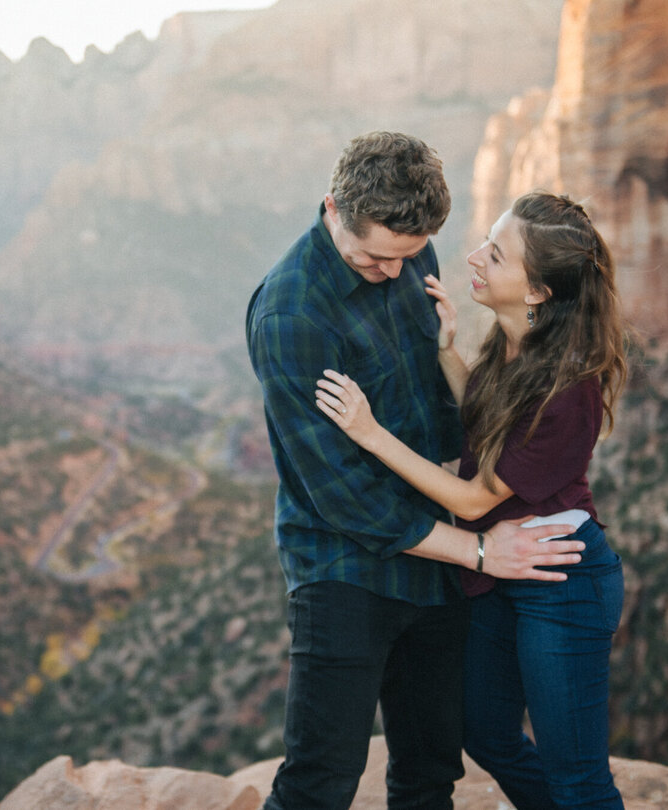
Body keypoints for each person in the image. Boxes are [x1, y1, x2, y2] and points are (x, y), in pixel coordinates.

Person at [246, 133, 586, 810]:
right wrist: (482, 550)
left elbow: (436, 405)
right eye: (374, 257)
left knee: (432, 770)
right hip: (344, 570)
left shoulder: (408, 248)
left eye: (407, 256)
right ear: (333, 208)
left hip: (437, 560)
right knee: (321, 779)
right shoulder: (292, 316)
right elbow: (344, 499)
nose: (393, 272)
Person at [315, 190, 629, 809]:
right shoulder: (515, 344)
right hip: (499, 571)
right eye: (488, 239)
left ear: (537, 291)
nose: (476, 257)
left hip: (559, 577)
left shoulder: (569, 386)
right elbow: (490, 425)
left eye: (497, 254)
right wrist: (446, 351)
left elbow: (476, 495)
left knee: (578, 776)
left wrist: (369, 432)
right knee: (484, 732)